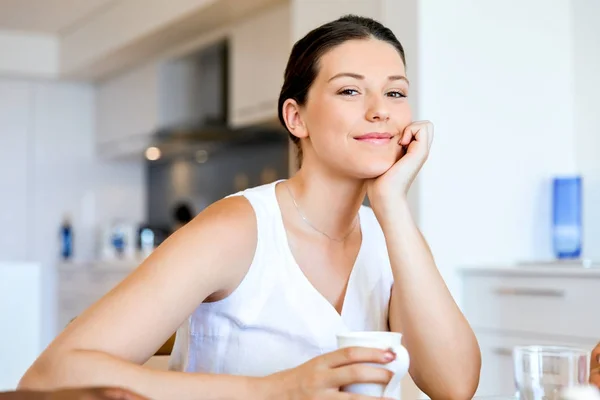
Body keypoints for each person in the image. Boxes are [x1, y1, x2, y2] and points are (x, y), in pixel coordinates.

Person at [19, 15, 481, 400]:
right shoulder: (238, 228)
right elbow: (50, 375)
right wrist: (276, 389)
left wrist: (392, 204)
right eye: (350, 91)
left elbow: (455, 386)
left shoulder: (389, 236)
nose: (381, 110)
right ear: (295, 117)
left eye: (395, 92)